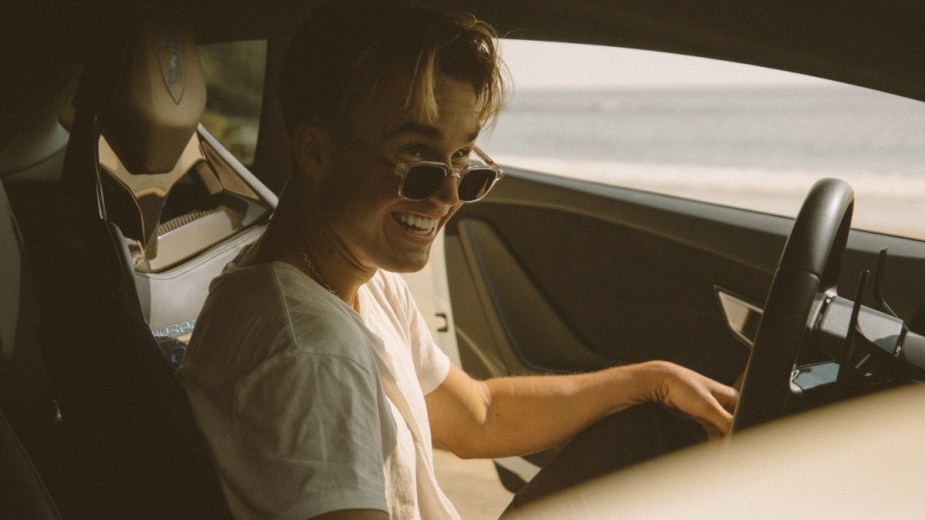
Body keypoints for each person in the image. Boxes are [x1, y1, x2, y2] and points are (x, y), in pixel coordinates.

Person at [177, 1, 738, 519]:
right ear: (316, 151)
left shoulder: (358, 277)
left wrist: (650, 379)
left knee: (654, 432)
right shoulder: (307, 355)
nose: (447, 197)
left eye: (463, 159)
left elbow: (479, 416)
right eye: (416, 158)